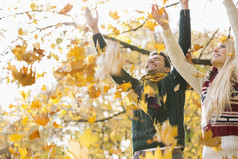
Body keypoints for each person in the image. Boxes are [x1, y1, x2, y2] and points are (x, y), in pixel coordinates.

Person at [85, 0, 190, 158]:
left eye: (157, 59)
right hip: (141, 154)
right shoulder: (137, 87)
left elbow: (182, 50)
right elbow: (111, 66)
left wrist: (184, 7)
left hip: (170, 151)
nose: (151, 60)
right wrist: (95, 29)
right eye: (149, 59)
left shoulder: (173, 80)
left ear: (168, 68)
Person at [152, 0, 238, 158]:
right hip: (210, 153)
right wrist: (166, 29)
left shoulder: (236, 74)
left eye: (223, 46)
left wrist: (227, 2)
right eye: (216, 46)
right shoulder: (205, 82)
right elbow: (178, 61)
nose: (216, 49)